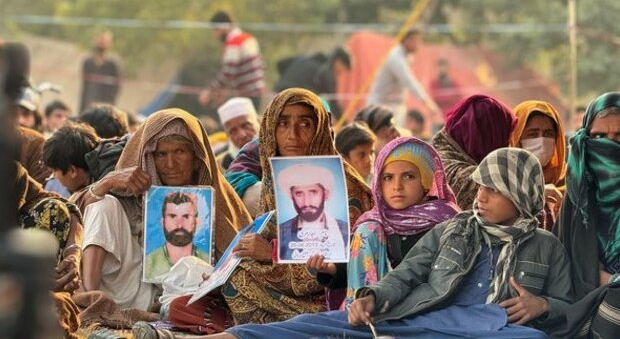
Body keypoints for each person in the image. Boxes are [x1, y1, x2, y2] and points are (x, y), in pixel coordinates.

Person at [220, 148, 573, 339]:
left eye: (493, 189)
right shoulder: (456, 228)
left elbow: (568, 306)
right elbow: (408, 274)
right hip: (424, 317)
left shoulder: (546, 246)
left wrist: (543, 306)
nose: (480, 197)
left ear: (520, 195)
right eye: (480, 186)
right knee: (326, 324)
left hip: (493, 329)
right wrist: (372, 296)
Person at [220, 88, 373, 324]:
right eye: (282, 124)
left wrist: (271, 251)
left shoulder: (345, 185)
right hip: (285, 283)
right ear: (271, 129)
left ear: (320, 130)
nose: (292, 135)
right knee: (235, 275)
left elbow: (355, 261)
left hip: (331, 291)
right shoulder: (273, 180)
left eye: (305, 124)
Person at [75, 108, 251, 310]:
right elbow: (73, 211)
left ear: (196, 157)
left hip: (186, 298)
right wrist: (107, 182)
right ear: (150, 157)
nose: (170, 163)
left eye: (179, 152)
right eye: (161, 154)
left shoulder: (217, 198)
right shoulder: (130, 190)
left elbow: (239, 262)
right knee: (103, 204)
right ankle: (89, 301)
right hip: (130, 293)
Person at [309, 136, 459, 310]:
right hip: (370, 311)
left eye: (409, 176)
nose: (397, 186)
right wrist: (332, 270)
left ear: (425, 182)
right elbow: (357, 271)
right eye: (387, 177)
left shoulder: (446, 221)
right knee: (368, 230)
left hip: (426, 309)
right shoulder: (373, 221)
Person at [556, 92, 620, 299]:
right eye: (599, 137)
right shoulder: (577, 195)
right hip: (580, 306)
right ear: (586, 138)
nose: (609, 147)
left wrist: (609, 282)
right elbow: (561, 269)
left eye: (619, 136)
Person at [432, 94, 516, 210]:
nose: (509, 143)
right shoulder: (476, 180)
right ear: (489, 135)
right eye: (505, 135)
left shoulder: (432, 156)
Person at [510, 101, 566, 230]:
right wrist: (534, 193)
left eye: (548, 134)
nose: (541, 141)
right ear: (516, 137)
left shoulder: (572, 180)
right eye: (532, 134)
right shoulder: (505, 179)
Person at [277, 163, 348, 261]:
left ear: (326, 194)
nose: (307, 202)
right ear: (291, 196)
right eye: (299, 193)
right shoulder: (280, 232)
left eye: (313, 192)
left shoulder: (345, 231)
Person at [367, 29, 439, 125]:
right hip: (381, 105)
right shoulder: (396, 58)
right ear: (406, 40)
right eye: (415, 40)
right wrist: (428, 104)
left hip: (396, 107)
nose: (418, 44)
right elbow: (410, 82)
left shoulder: (407, 57)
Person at [199, 11, 264, 110]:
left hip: (247, 95)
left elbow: (228, 73)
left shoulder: (235, 42)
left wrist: (210, 91)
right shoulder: (248, 38)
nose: (215, 34)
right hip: (256, 92)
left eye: (216, 29)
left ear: (225, 26)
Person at [144, 191, 210, 280]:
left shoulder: (207, 262)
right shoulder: (148, 264)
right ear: (162, 222)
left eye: (186, 216)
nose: (179, 225)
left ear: (196, 222)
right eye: (172, 216)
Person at [274, 47, 352, 118]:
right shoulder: (326, 72)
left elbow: (280, 64)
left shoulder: (306, 58)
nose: (340, 74)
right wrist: (345, 124)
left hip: (277, 94)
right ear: (339, 61)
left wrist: (287, 78)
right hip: (294, 100)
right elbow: (334, 103)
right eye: (341, 71)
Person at [79, 31, 121, 113]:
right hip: (87, 107)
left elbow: (116, 88)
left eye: (104, 40)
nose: (101, 42)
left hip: (105, 109)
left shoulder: (113, 64)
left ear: (110, 43)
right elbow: (84, 87)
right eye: (99, 39)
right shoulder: (88, 62)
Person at [216, 97, 260, 171]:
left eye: (246, 125)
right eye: (233, 131)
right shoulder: (219, 166)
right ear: (227, 135)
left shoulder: (279, 153)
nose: (242, 135)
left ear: (259, 122)